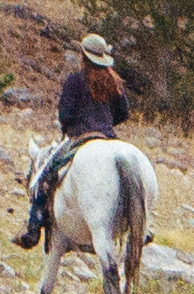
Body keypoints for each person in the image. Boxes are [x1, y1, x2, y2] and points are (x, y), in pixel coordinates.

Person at [14, 36, 132, 252]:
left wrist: (74, 126)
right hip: (107, 137)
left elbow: (65, 116)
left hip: (79, 137)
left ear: (83, 57)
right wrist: (104, 123)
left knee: (42, 177)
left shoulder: (75, 81)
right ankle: (140, 226)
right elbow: (124, 113)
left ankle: (33, 228)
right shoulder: (114, 82)